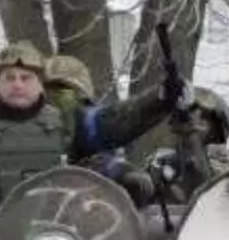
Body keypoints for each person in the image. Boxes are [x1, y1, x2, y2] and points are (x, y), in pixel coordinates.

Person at [0, 41, 178, 239]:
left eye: (26, 78)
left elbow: (113, 122)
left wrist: (161, 98)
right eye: (9, 78)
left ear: (40, 83)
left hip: (63, 239)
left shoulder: (67, 121)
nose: (17, 85)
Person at [44, 53, 158, 204]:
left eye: (62, 90)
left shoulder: (90, 128)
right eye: (50, 91)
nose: (54, 98)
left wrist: (125, 175)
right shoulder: (31, 133)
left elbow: (105, 160)